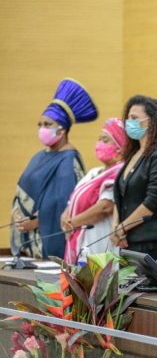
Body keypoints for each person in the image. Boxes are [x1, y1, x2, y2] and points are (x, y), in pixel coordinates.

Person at [11, 78, 98, 259]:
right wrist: (18, 216)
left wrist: (37, 222)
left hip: (48, 243)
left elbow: (65, 203)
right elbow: (23, 191)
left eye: (47, 124)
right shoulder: (39, 156)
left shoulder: (69, 160)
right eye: (40, 125)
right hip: (27, 241)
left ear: (62, 129)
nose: (42, 129)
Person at [111, 95, 157, 265]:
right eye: (128, 118)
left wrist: (122, 228)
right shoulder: (133, 154)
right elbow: (119, 195)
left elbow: (153, 200)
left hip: (149, 242)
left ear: (151, 122)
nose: (129, 123)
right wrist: (116, 228)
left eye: (134, 118)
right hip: (127, 240)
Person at [61, 118, 127, 263]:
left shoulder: (119, 172)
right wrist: (65, 216)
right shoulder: (94, 172)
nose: (99, 144)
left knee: (95, 275)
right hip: (78, 234)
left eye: (105, 140)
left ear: (120, 147)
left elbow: (105, 207)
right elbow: (73, 199)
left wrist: (73, 222)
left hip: (98, 237)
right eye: (99, 139)